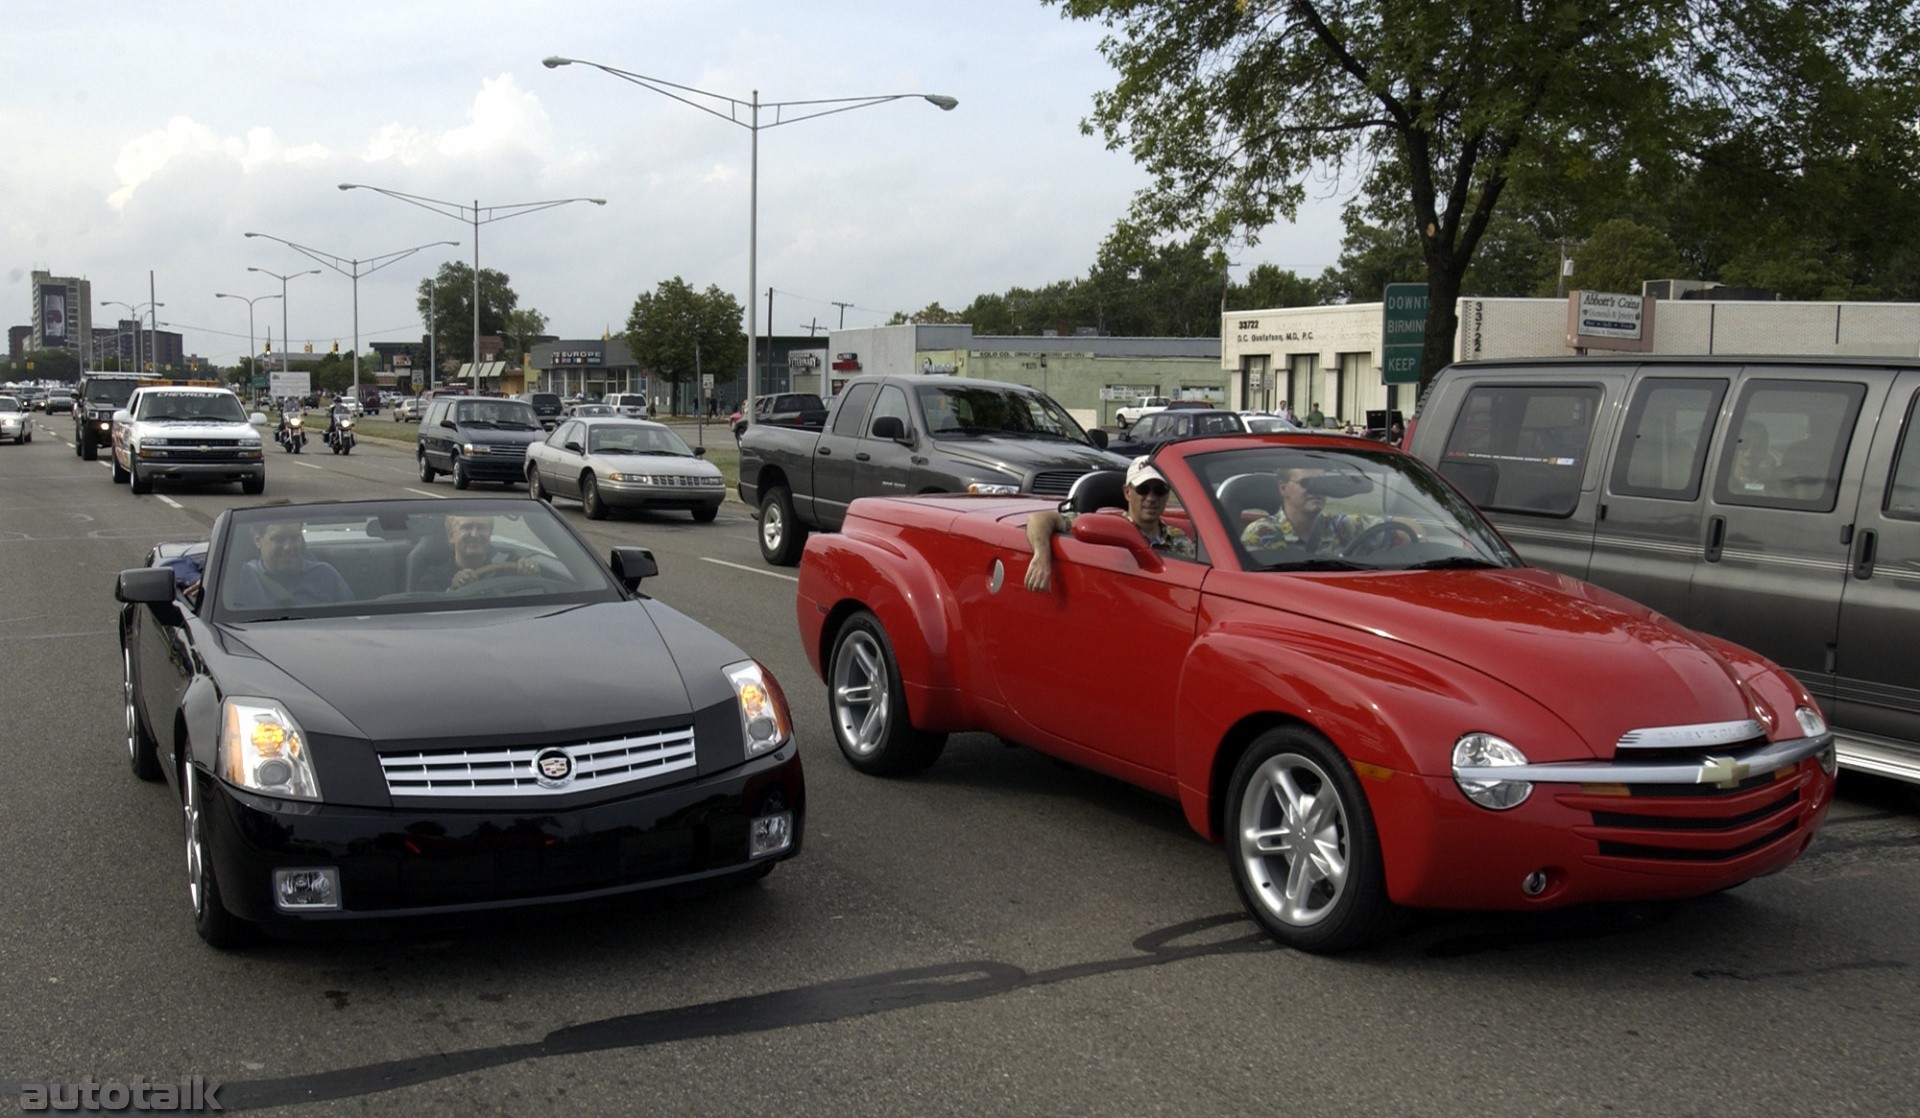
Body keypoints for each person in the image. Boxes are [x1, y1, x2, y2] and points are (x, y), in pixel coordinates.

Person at [1025, 457, 1194, 591]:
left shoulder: (1180, 539)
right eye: (1143, 490)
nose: (1151, 498)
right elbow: (1039, 519)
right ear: (1127, 492)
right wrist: (1041, 556)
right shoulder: (1108, 529)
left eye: (1159, 491)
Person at [1240, 466, 1382, 556]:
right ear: (1283, 488)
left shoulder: (1341, 527)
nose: (1315, 490)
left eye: (1321, 483)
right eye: (1306, 483)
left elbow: (1395, 527)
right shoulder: (1262, 534)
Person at [227, 522, 353, 607]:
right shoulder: (239, 579)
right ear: (258, 540)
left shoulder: (325, 575)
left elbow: (351, 620)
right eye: (279, 539)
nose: (288, 546)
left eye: (294, 538)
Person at [420, 515, 543, 590]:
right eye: (466, 527)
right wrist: (452, 589)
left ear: (490, 533)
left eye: (482, 528)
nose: (474, 534)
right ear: (451, 536)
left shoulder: (511, 566)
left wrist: (531, 572)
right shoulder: (433, 578)